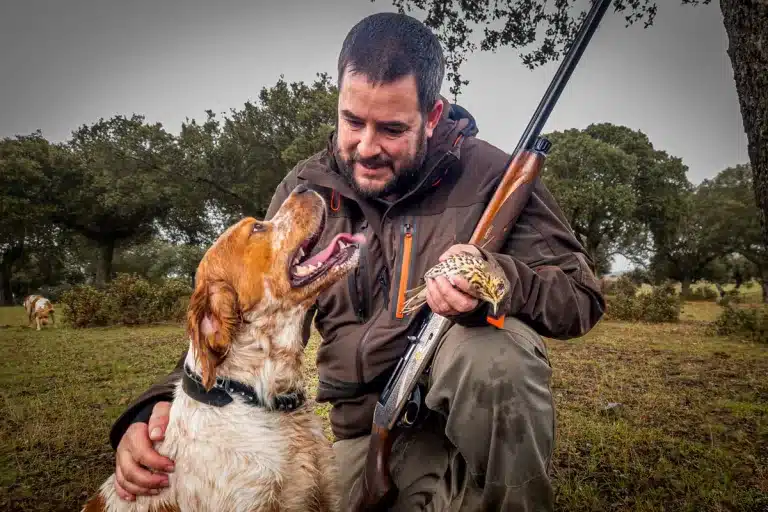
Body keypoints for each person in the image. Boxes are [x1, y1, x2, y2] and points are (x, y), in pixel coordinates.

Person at [107, 12, 605, 511]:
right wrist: (155, 405)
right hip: (361, 437)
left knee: (495, 357)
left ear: (431, 117)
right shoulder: (305, 193)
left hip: (458, 426)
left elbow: (580, 298)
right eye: (352, 121)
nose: (366, 148)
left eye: (391, 129)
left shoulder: (494, 175)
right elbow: (242, 311)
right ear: (339, 101)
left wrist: (501, 279)